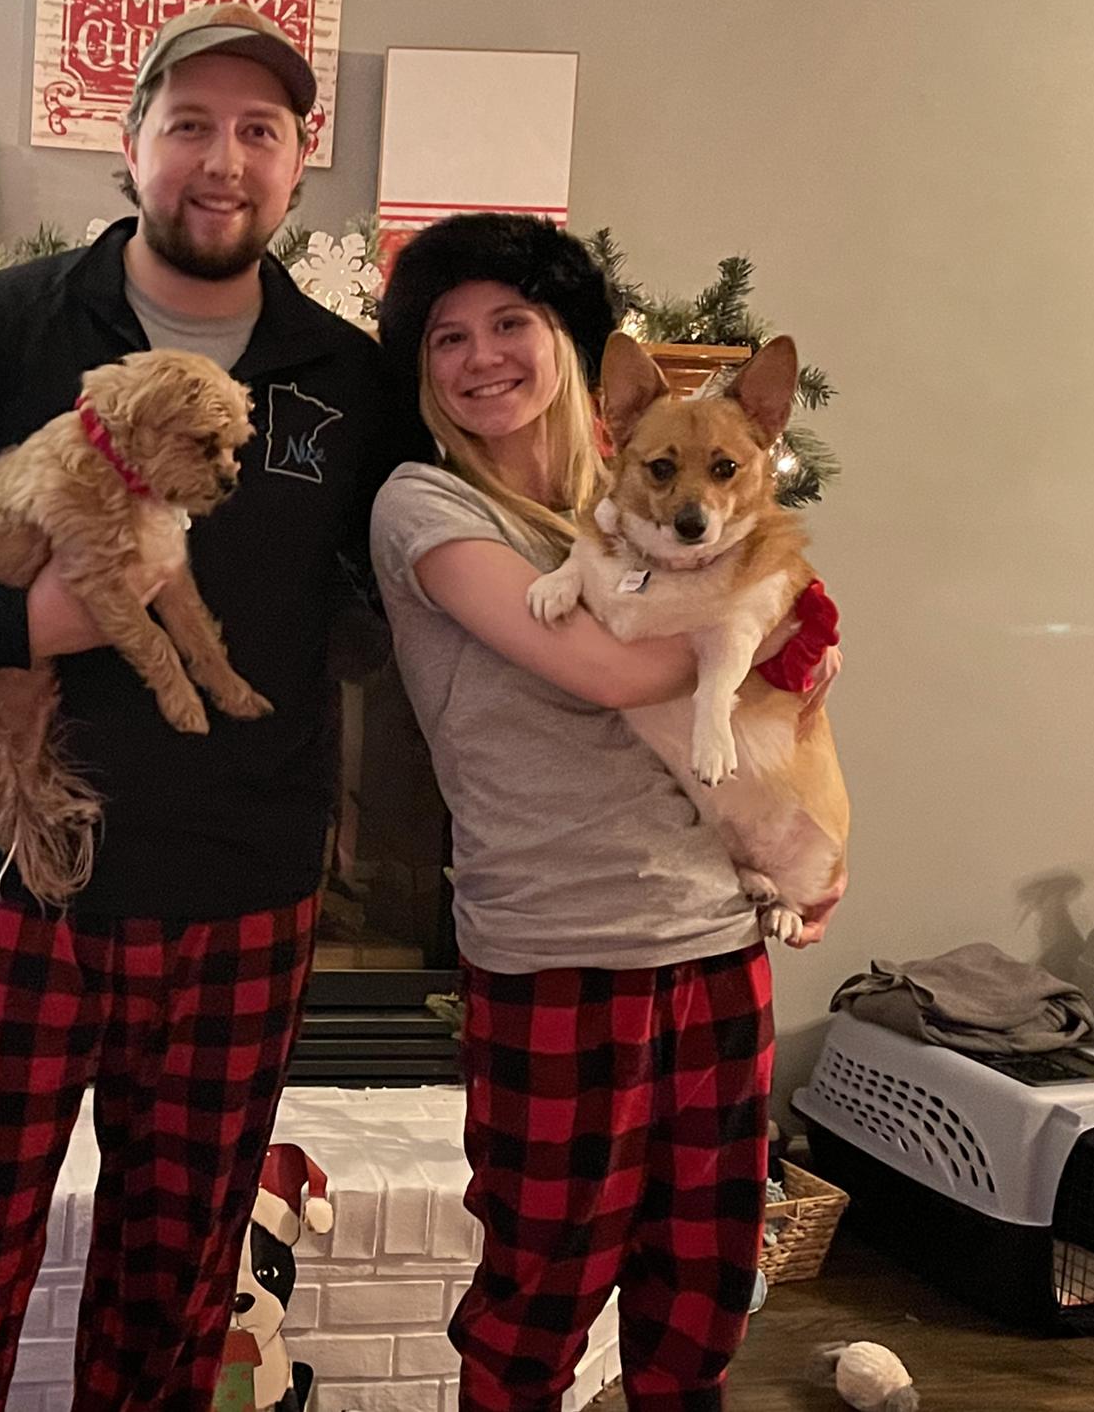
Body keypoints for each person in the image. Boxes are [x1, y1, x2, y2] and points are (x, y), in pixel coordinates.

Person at [0, 4, 423, 1411]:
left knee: (173, 1306)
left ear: (298, 162)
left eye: (258, 131)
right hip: (6, 895)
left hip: (241, 902)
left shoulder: (350, 379)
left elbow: (434, 571)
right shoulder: (3, 327)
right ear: (130, 147)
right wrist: (18, 624)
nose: (222, 160)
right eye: (189, 125)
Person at [369, 212, 842, 1412]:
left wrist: (798, 806)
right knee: (537, 1299)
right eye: (445, 337)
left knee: (702, 1297)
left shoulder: (633, 495)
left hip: (712, 933)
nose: (481, 356)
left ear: (567, 344)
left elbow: (769, 672)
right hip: (557, 949)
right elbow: (609, 671)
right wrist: (772, 624)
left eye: (509, 322)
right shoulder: (425, 507)